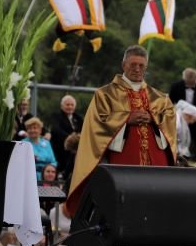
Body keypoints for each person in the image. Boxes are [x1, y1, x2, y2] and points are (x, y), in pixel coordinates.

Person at [64, 45, 177, 216]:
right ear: (123, 65)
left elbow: (170, 122)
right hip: (123, 159)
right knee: (125, 206)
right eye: (133, 65)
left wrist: (154, 119)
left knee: (155, 207)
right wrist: (126, 119)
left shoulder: (160, 98)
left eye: (141, 65)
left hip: (156, 160)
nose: (137, 69)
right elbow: (96, 125)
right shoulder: (105, 95)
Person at [169, 68, 196, 160]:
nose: (190, 85)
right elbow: (170, 103)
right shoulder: (176, 86)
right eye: (188, 83)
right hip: (180, 117)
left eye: (192, 83)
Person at [50, 95, 83, 182]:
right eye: (67, 104)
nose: (70, 107)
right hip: (61, 150)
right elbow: (55, 130)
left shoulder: (78, 118)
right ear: (62, 106)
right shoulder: (56, 116)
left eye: (72, 105)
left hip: (76, 150)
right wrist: (70, 137)